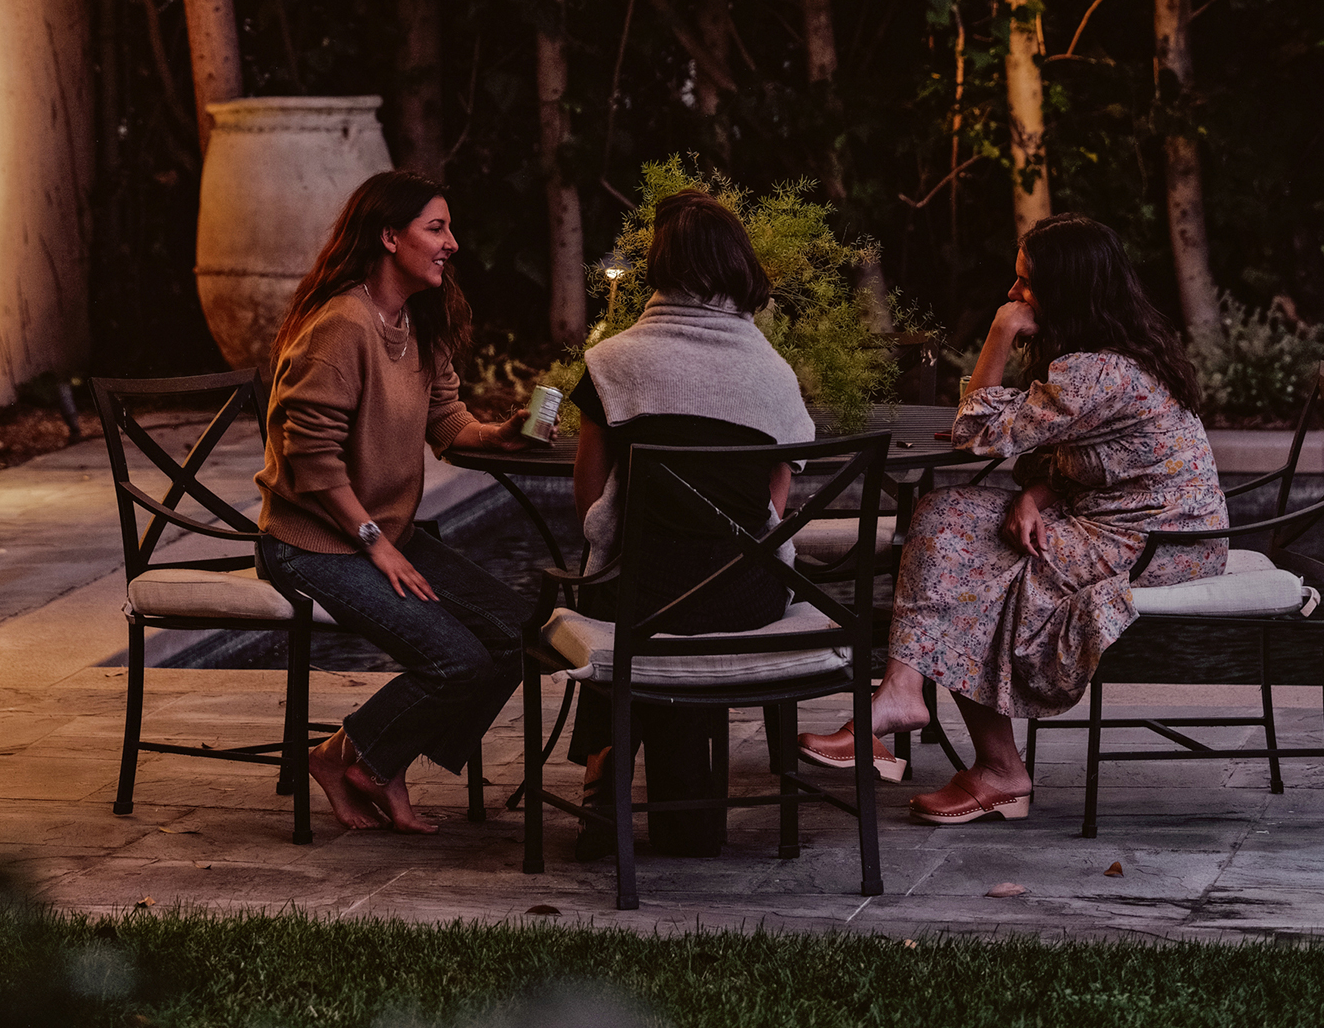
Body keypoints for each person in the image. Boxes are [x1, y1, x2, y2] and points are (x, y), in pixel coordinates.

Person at [799, 211, 1226, 824]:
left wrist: (998, 335)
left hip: (1165, 542)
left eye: (1024, 283)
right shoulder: (1113, 353)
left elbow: (975, 433)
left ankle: (979, 756)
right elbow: (1091, 459)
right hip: (1128, 522)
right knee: (945, 515)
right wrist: (1035, 495)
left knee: (976, 573)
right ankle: (907, 701)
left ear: (1065, 290)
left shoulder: (1099, 372)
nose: (1013, 294)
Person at [256, 169, 532, 833]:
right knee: (457, 660)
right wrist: (375, 543)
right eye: (435, 228)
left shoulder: (417, 320)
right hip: (311, 541)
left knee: (525, 632)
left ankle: (361, 758)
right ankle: (361, 761)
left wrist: (500, 434)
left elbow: (447, 423)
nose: (452, 243)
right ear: (389, 236)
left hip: (384, 534)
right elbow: (309, 456)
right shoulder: (341, 326)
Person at [564, 189, 815, 855]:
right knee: (686, 596)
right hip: (747, 598)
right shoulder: (773, 375)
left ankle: (602, 774)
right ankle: (686, 818)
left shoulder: (613, 363)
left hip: (643, 597)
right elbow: (778, 501)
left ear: (659, 267)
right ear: (738, 268)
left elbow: (589, 504)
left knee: (625, 594)